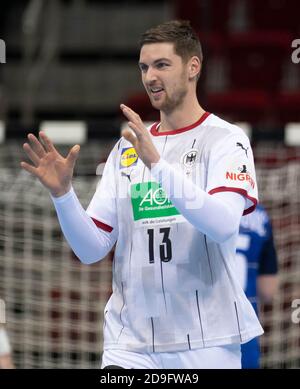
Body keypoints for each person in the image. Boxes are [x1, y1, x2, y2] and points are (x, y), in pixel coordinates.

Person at [20, 20, 263, 369]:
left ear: (193, 67)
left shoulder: (227, 140)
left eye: (162, 65)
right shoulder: (127, 148)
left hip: (207, 342)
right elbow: (92, 249)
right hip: (129, 344)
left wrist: (159, 166)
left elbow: (224, 224)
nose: (150, 77)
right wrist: (63, 196)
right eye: (144, 67)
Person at [236, 204, 278, 369]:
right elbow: (268, 290)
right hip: (246, 332)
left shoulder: (196, 206)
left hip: (200, 332)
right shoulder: (261, 216)